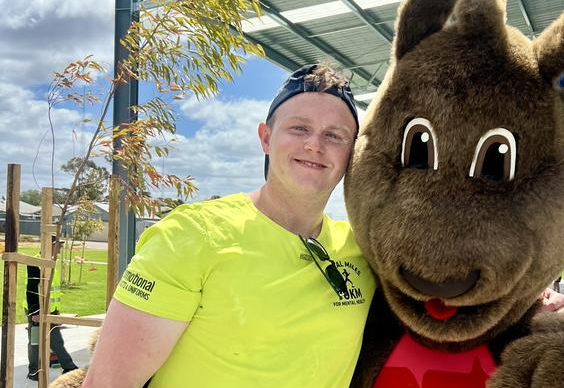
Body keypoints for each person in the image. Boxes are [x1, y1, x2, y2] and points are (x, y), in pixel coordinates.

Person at [82, 64, 376, 388]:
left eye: (335, 135)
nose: (315, 145)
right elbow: (106, 383)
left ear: (353, 152)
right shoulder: (191, 237)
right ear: (266, 138)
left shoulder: (363, 251)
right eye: (299, 128)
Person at [26, 236, 78, 381]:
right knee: (35, 342)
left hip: (50, 310)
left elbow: (52, 290)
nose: (60, 248)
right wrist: (35, 312)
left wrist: (55, 310)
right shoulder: (36, 263)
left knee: (56, 340)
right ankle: (34, 371)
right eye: (58, 245)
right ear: (50, 245)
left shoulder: (53, 262)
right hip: (36, 311)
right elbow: (31, 289)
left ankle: (69, 367)